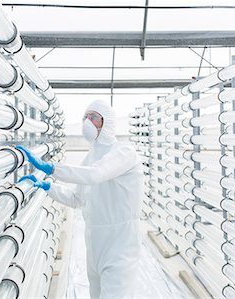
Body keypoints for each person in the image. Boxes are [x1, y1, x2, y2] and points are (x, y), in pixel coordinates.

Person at [17, 100, 143, 299]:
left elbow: (95, 175)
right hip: (94, 245)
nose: (87, 121)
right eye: (85, 117)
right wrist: (49, 187)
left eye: (93, 117)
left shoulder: (124, 152)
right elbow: (77, 199)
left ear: (107, 121)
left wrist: (51, 168)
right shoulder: (91, 157)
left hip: (120, 245)